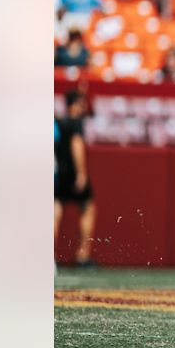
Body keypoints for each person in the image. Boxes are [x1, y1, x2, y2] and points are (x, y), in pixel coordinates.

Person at [55, 90, 97, 267]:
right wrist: (81, 174)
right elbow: (76, 145)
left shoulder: (58, 121)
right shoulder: (76, 123)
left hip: (57, 172)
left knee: (55, 210)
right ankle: (83, 254)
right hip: (72, 172)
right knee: (87, 207)